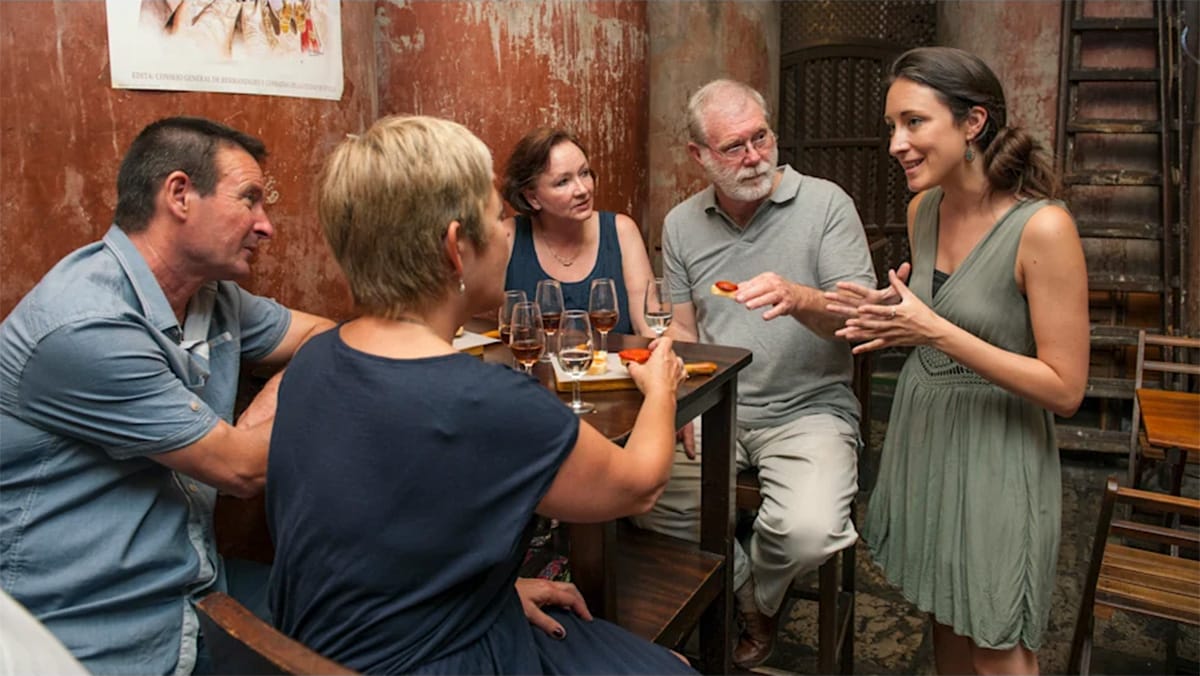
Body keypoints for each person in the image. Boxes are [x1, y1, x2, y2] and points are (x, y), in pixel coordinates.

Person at [266, 114, 695, 674]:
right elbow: (638, 486)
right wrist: (661, 389)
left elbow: (381, 536)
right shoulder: (486, 398)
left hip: (328, 649)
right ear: (456, 248)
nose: (505, 235)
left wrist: (499, 590)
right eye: (496, 219)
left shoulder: (313, 361)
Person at [0, 116, 335, 674]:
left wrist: (264, 406)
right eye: (249, 200)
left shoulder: (213, 298)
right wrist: (241, 440)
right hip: (90, 623)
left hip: (194, 585)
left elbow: (325, 338)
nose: (267, 227)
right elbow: (241, 471)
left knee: (373, 620)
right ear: (179, 194)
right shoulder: (86, 324)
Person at [826, 47, 1088, 675]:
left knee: (996, 642)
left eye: (914, 122)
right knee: (943, 613)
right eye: (892, 125)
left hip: (997, 451)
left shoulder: (1043, 228)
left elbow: (1065, 389)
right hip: (927, 434)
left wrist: (933, 330)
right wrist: (894, 317)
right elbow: (943, 319)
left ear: (973, 123)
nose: (896, 143)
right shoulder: (926, 209)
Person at [631, 79, 877, 669]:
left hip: (809, 408)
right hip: (716, 404)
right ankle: (748, 592)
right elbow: (683, 329)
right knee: (640, 497)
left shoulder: (826, 205)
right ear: (699, 155)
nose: (754, 156)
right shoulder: (683, 223)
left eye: (760, 137)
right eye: (734, 147)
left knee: (809, 531)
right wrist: (680, 399)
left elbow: (862, 322)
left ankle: (758, 600)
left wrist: (801, 298)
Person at [501, 127, 655, 336]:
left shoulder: (622, 231)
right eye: (563, 182)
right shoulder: (509, 237)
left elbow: (647, 328)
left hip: (615, 359)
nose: (583, 190)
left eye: (584, 173)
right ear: (532, 198)